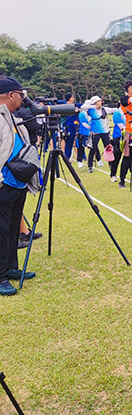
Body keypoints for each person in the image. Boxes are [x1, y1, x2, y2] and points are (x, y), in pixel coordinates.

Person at [0, 77, 37, 296]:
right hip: (4, 184)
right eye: (21, 95)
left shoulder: (11, 118)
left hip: (18, 182)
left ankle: (11, 267)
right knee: (1, 231)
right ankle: (1, 276)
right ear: (11, 95)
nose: (24, 99)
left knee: (13, 227)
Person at [86, 96, 110, 173]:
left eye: (100, 101)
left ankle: (111, 165)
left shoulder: (104, 109)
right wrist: (92, 105)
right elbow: (83, 107)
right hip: (95, 132)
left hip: (105, 132)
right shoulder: (91, 110)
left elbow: (114, 110)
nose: (100, 103)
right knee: (93, 149)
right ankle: (90, 166)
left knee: (108, 148)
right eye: (98, 101)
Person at [62, 93, 79, 160]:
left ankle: (80, 156)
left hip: (76, 125)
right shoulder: (65, 106)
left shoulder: (75, 105)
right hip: (69, 125)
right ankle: (67, 156)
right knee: (69, 142)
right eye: (72, 97)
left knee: (77, 141)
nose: (73, 98)